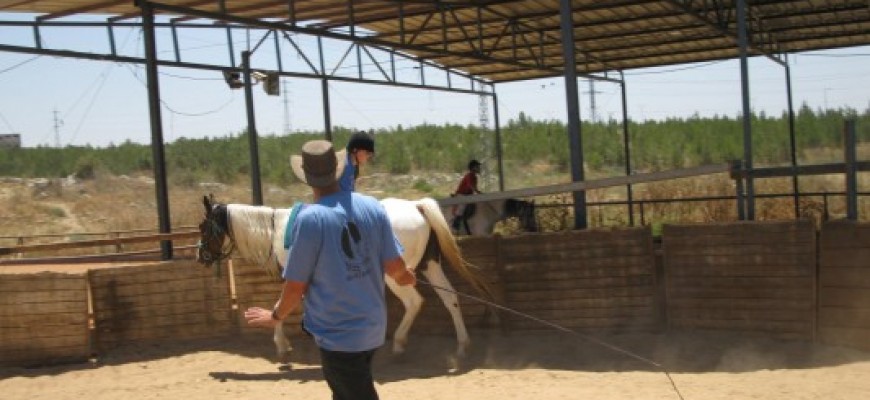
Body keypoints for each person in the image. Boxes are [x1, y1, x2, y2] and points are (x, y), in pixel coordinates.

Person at [245, 139, 416, 400]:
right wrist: (407, 277)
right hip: (372, 330)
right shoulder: (372, 207)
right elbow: (396, 268)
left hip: (339, 336)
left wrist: (276, 316)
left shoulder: (310, 220)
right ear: (337, 169)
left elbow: (295, 286)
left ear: (307, 178)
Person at [451, 159, 482, 230]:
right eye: (477, 166)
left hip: (468, 196)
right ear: (473, 167)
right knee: (462, 205)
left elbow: (474, 188)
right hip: (462, 194)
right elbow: (471, 186)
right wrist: (478, 192)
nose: (479, 168)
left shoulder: (475, 177)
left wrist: (478, 192)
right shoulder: (469, 176)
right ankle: (456, 222)